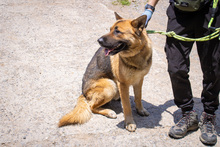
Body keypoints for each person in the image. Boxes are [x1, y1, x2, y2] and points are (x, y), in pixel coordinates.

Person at [142, 0, 220, 145]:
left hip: (211, 12)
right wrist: (149, 9)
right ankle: (188, 113)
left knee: (213, 69)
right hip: (180, 13)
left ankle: (209, 114)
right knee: (175, 67)